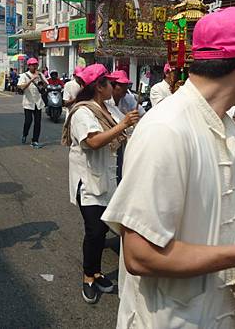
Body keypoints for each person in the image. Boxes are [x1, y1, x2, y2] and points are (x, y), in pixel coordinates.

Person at [101, 7, 235, 328]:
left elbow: (228, 209)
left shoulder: (225, 124)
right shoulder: (167, 129)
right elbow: (139, 255)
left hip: (220, 311)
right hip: (171, 320)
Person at [61, 63, 140, 304]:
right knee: (94, 231)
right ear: (99, 86)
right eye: (110, 83)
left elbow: (128, 130)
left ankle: (96, 272)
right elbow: (93, 141)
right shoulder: (83, 111)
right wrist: (123, 125)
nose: (114, 88)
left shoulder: (107, 108)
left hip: (106, 179)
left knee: (102, 229)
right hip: (88, 182)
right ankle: (88, 277)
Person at [17, 58, 48, 147]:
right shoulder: (24, 75)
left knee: (38, 122)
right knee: (28, 121)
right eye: (32, 65)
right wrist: (31, 80)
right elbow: (21, 87)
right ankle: (25, 134)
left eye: (36, 65)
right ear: (29, 66)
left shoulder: (40, 74)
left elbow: (46, 85)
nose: (34, 67)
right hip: (28, 102)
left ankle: (35, 140)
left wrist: (41, 78)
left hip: (38, 102)